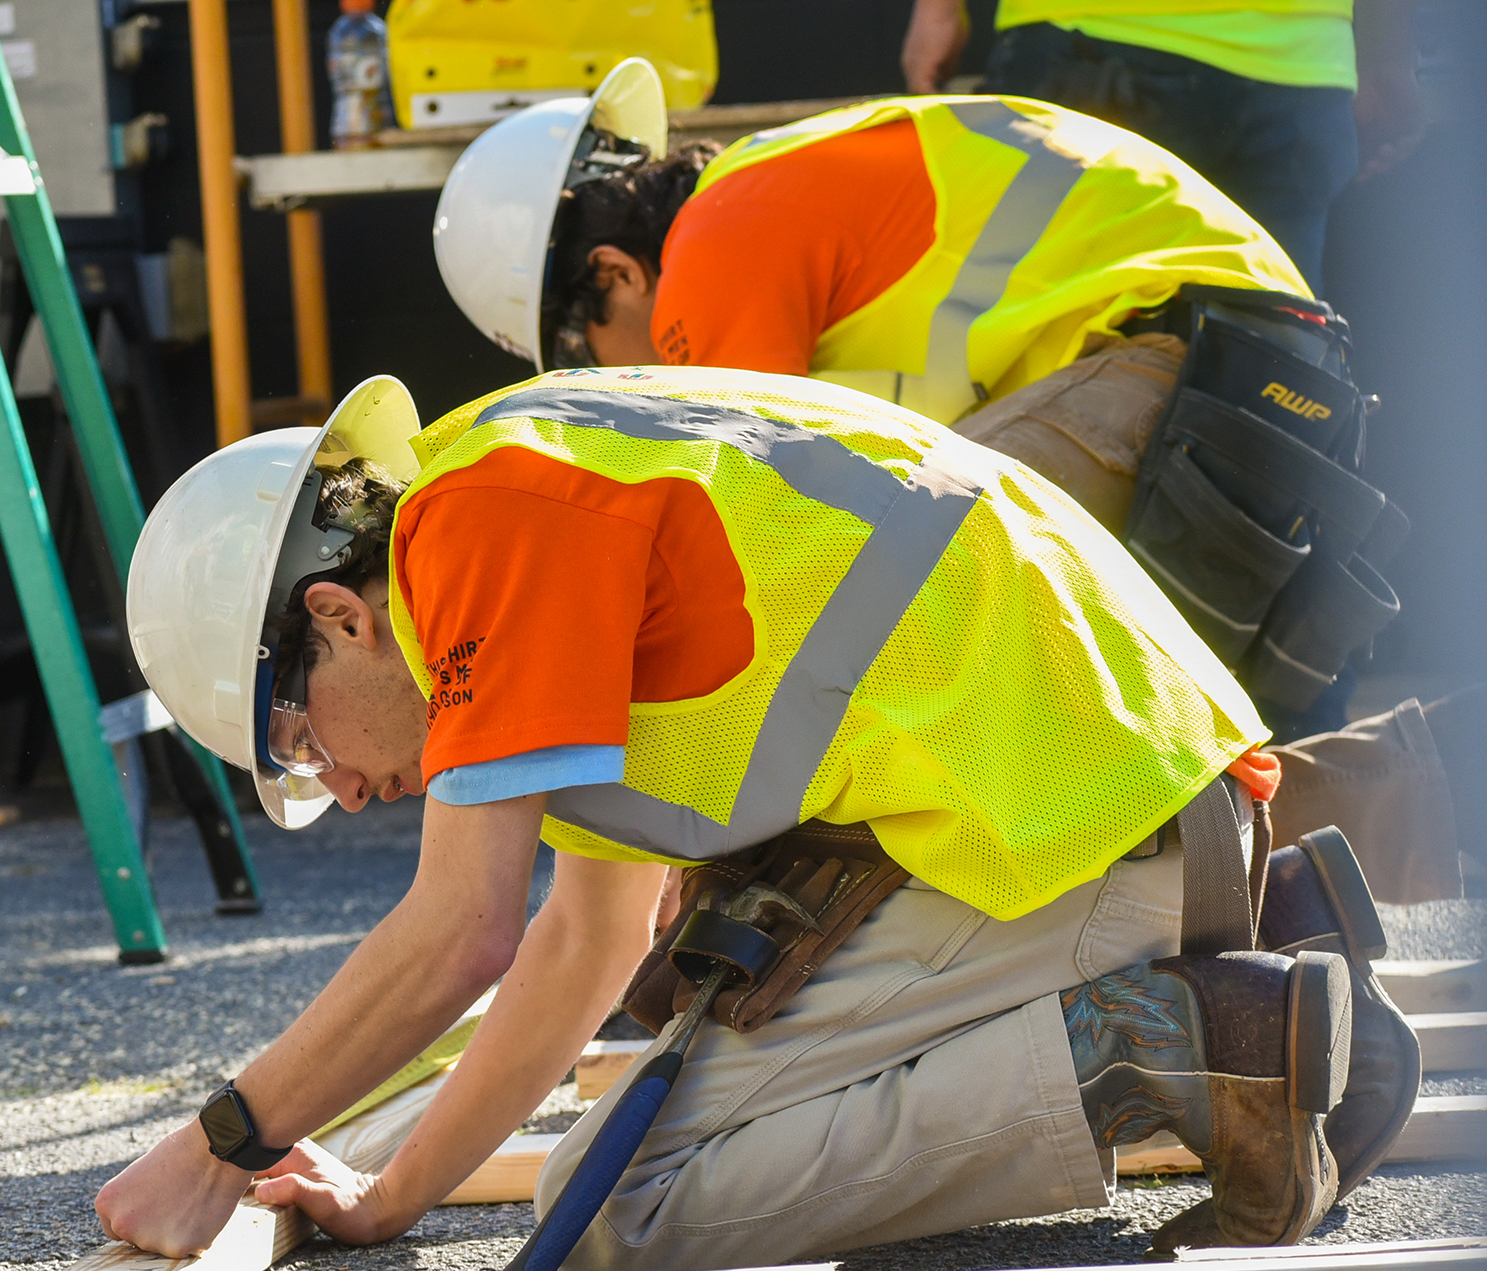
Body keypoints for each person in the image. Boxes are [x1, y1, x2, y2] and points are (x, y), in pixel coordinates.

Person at [97, 366, 1415, 1269]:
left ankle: (1192, 1033)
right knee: (620, 1166)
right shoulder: (521, 479)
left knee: (629, 1210)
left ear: (335, 618)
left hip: (1079, 825)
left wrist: (224, 1143)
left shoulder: (483, 536)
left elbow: (462, 932)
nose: (345, 784)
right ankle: (1260, 950)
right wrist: (385, 1201)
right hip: (1114, 799)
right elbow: (580, 942)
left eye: (301, 740)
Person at [431, 60, 1464, 886]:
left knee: (928, 647)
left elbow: (747, 539)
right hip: (1252, 380)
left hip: (1186, 368)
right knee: (1126, 764)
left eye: (581, 351)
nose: (611, 378)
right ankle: (1447, 784)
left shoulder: (717, 240)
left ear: (612, 273)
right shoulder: (792, 193)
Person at [901, 0, 1428, 294]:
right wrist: (1387, 59)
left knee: (1045, 349)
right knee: (1264, 375)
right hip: (1298, 68)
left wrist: (938, 11)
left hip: (1096, 41)